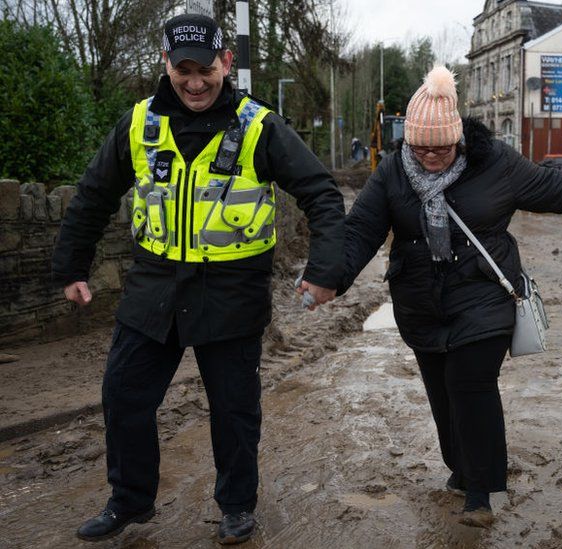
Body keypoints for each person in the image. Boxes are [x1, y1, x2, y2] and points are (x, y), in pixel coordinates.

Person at [52, 13, 344, 544]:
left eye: (205, 69)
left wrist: (324, 271)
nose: (194, 81)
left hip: (231, 291)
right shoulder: (140, 123)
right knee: (123, 395)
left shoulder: (259, 126)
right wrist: (71, 266)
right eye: (182, 69)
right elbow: (93, 194)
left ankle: (236, 506)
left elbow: (322, 194)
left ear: (225, 64)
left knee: (233, 410)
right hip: (154, 287)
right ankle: (129, 502)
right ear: (165, 65)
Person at [338, 66, 562, 527]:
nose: (430, 155)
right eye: (421, 146)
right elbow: (360, 231)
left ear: (458, 137)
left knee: (470, 385)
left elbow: (554, 187)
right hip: (420, 302)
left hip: (484, 295)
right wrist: (326, 276)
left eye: (441, 146)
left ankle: (480, 492)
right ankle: (461, 467)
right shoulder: (393, 170)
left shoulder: (495, 162)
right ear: (408, 141)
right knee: (441, 391)